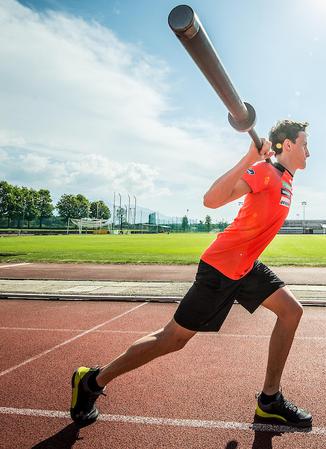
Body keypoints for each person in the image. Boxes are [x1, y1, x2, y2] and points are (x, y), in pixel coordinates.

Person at [70, 120, 312, 428]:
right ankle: (92, 381)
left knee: (291, 312)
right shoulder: (265, 171)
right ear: (288, 145)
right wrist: (250, 158)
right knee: (171, 340)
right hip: (221, 267)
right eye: (305, 144)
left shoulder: (284, 178)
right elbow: (211, 200)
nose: (309, 151)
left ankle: (269, 400)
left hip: (246, 266)